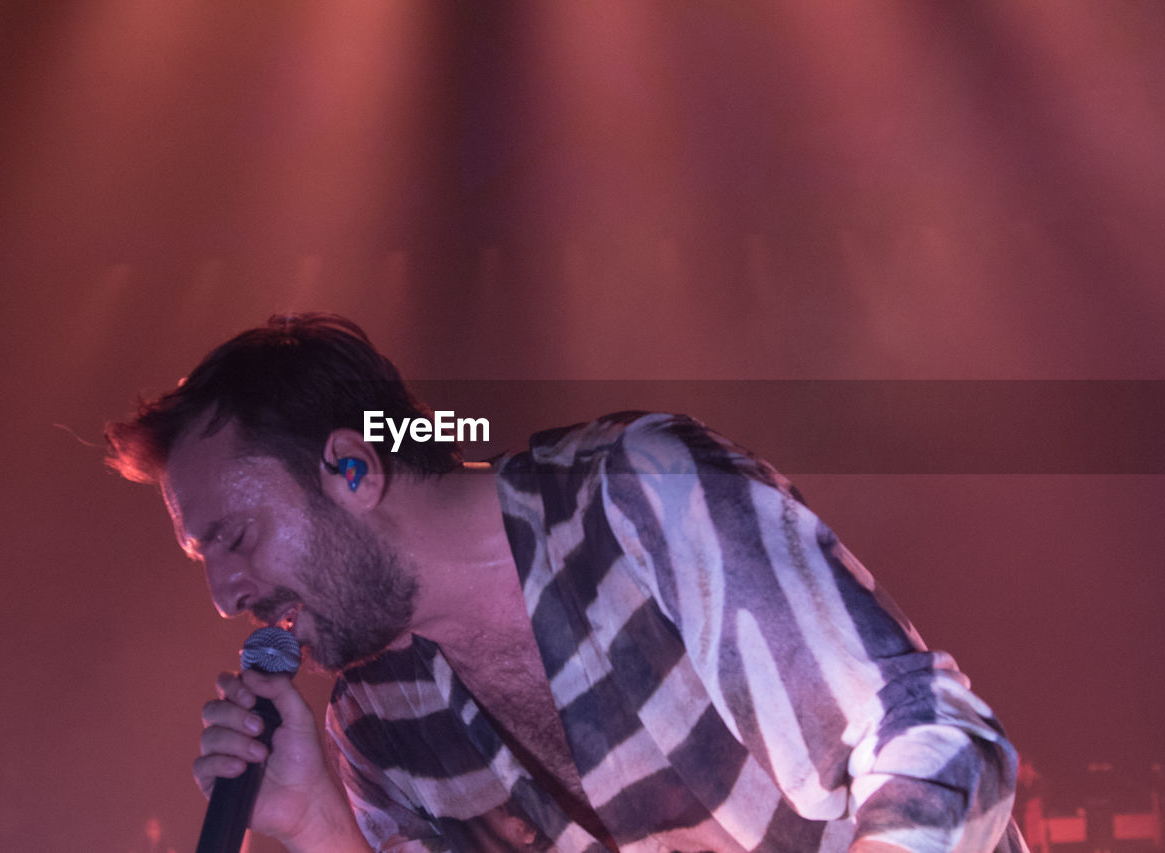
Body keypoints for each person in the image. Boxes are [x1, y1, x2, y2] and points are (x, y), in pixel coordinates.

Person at [105, 313, 1027, 853]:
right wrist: (312, 817)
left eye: (233, 536)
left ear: (353, 469)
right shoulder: (376, 716)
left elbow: (935, 736)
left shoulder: (636, 496)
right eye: (203, 560)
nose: (226, 594)